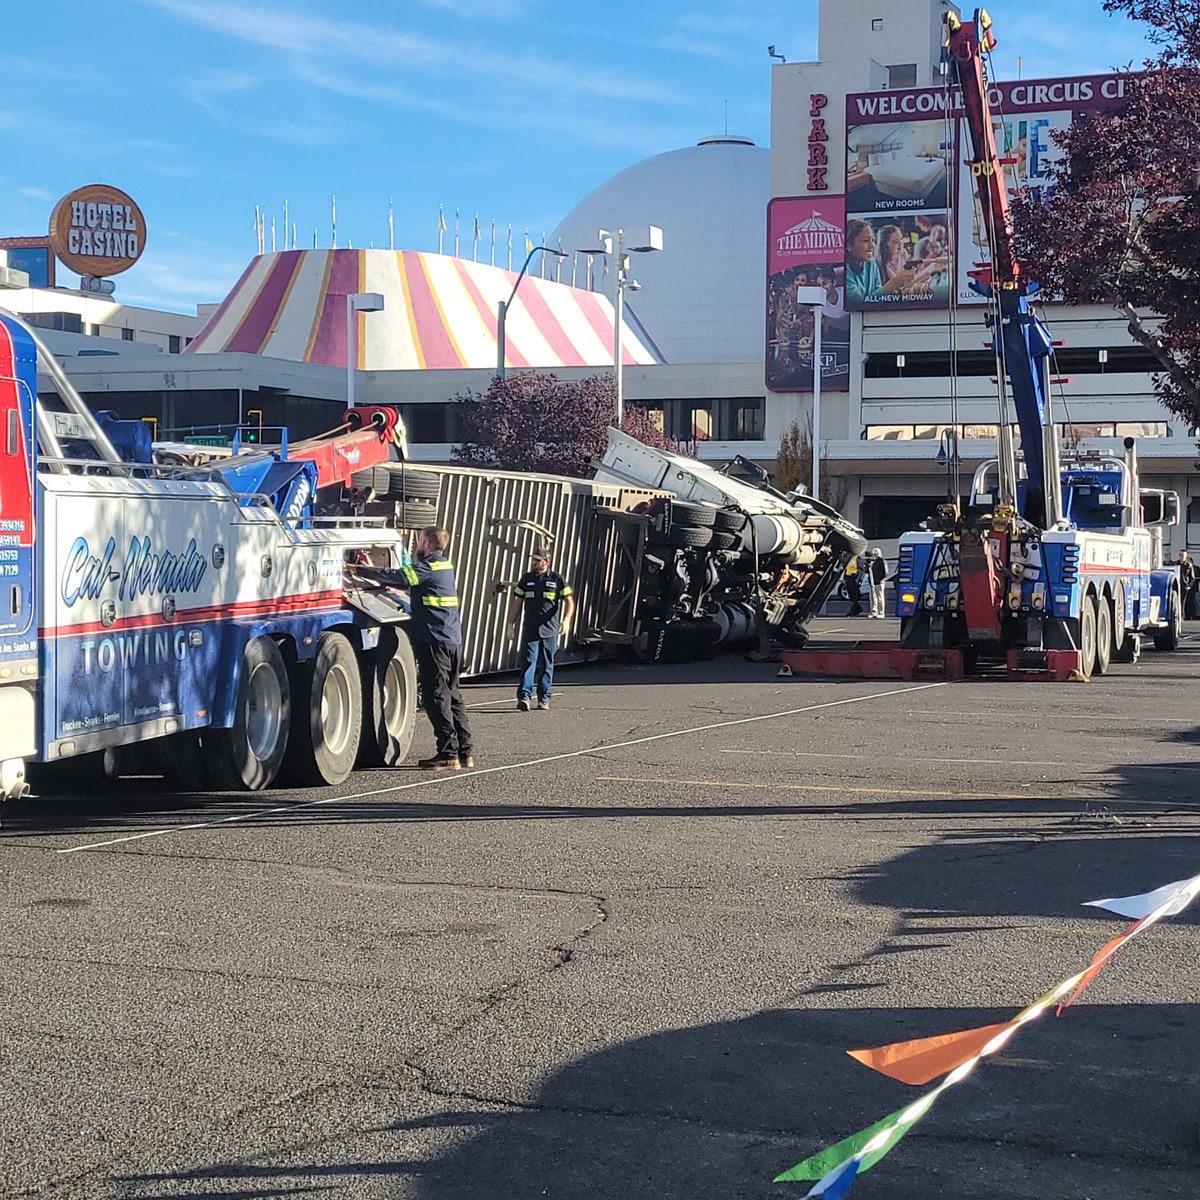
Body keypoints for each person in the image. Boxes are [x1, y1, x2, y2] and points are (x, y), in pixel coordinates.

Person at [401, 526, 473, 769]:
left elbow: (402, 577)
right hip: (452, 639)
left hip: (435, 640)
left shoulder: (429, 567)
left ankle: (447, 753)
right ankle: (465, 753)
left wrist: (362, 569)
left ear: (428, 544)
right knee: (453, 695)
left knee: (436, 696)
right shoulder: (444, 566)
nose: (417, 545)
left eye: (419, 540)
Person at [508, 546, 575, 711]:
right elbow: (518, 601)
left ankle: (544, 698)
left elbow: (569, 602)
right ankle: (524, 697)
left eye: (538, 561)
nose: (534, 563)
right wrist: (511, 623)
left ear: (547, 562)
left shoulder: (557, 579)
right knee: (528, 662)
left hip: (550, 630)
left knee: (546, 664)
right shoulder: (527, 579)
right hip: (530, 628)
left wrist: (566, 620)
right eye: (533, 560)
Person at [845, 219, 915, 305]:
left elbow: (877, 293)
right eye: (865, 241)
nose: (872, 246)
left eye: (873, 241)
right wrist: (892, 285)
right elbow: (858, 304)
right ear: (848, 246)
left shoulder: (871, 263)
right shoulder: (845, 271)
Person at [868, 548, 890, 619]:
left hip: (879, 582)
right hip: (873, 582)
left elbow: (886, 572)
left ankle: (881, 612)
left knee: (880, 598)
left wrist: (881, 580)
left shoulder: (882, 561)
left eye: (875, 553)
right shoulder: (873, 562)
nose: (874, 555)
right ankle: (874, 612)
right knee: (873, 598)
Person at [1178, 550, 1197, 620]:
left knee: (1183, 602)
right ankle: (1178, 616)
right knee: (1177, 601)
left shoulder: (1189, 565)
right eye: (1181, 555)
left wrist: (1189, 586)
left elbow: (1192, 577)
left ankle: (1182, 616)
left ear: (1186, 556)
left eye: (1183, 555)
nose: (1182, 557)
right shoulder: (1176, 564)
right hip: (1176, 585)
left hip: (1184, 586)